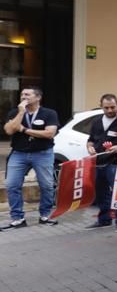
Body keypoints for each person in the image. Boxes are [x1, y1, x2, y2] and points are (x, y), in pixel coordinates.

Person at [3, 87, 59, 228]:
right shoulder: (15, 112)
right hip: (18, 153)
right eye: (22, 94)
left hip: (43, 154)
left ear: (38, 97)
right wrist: (21, 112)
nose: (23, 96)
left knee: (46, 185)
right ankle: (18, 218)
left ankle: (45, 215)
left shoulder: (49, 113)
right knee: (12, 185)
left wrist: (24, 130)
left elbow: (49, 134)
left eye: (27, 94)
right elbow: (9, 130)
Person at [85, 94, 117, 230]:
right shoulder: (97, 121)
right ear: (101, 106)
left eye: (113, 107)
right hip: (98, 162)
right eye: (106, 108)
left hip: (116, 163)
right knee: (101, 193)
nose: (110, 110)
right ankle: (104, 219)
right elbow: (90, 140)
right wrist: (89, 147)